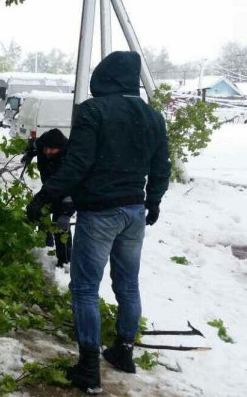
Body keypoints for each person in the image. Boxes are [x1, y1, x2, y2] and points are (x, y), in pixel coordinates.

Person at [25, 51, 171, 394]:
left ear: (104, 78)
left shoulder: (94, 110)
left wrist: (44, 197)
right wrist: (153, 201)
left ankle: (89, 369)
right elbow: (161, 165)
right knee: (128, 284)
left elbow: (77, 165)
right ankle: (123, 351)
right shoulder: (153, 117)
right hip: (134, 212)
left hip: (100, 212)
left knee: (85, 288)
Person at [21, 128, 75, 267]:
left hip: (66, 192)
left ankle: (65, 262)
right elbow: (33, 144)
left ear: (61, 149)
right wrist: (30, 153)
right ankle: (45, 244)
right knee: (36, 210)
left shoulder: (70, 157)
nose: (48, 152)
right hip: (49, 188)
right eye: (46, 149)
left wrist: (67, 213)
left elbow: (74, 188)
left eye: (53, 150)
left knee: (60, 224)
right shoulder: (41, 144)